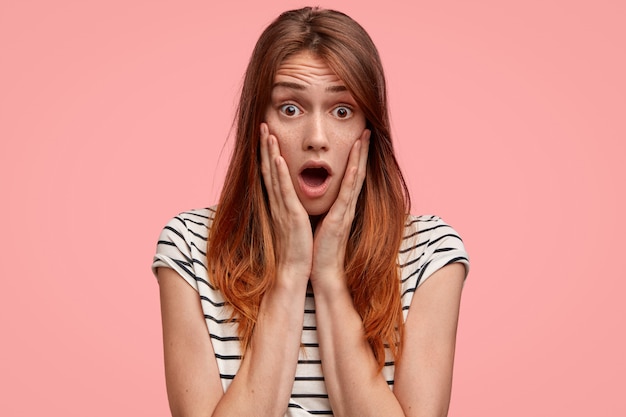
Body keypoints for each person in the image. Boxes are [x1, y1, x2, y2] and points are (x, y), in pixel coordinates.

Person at [152, 6, 469, 417]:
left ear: (367, 127)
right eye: (290, 108)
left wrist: (330, 280)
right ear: (256, 123)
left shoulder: (428, 254)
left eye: (342, 111)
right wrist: (289, 274)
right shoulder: (189, 247)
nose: (316, 139)